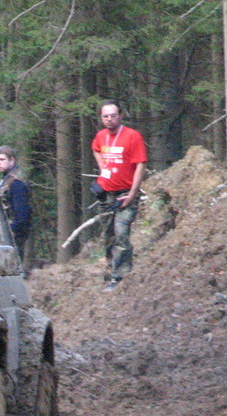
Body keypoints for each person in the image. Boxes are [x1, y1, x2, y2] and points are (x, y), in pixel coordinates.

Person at [91, 100, 147, 290]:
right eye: (105, 116)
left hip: (125, 193)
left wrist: (132, 194)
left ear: (120, 116)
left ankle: (121, 277)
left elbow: (141, 164)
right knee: (108, 235)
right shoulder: (100, 136)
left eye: (113, 115)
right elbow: (96, 149)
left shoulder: (132, 136)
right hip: (106, 194)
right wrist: (103, 170)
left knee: (121, 233)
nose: (109, 119)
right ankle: (110, 271)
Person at [0, 145, 32, 272]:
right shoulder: (6, 180)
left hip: (13, 234)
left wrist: (12, 231)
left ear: (12, 160)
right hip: (6, 232)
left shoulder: (17, 183)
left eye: (2, 159)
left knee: (12, 269)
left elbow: (22, 214)